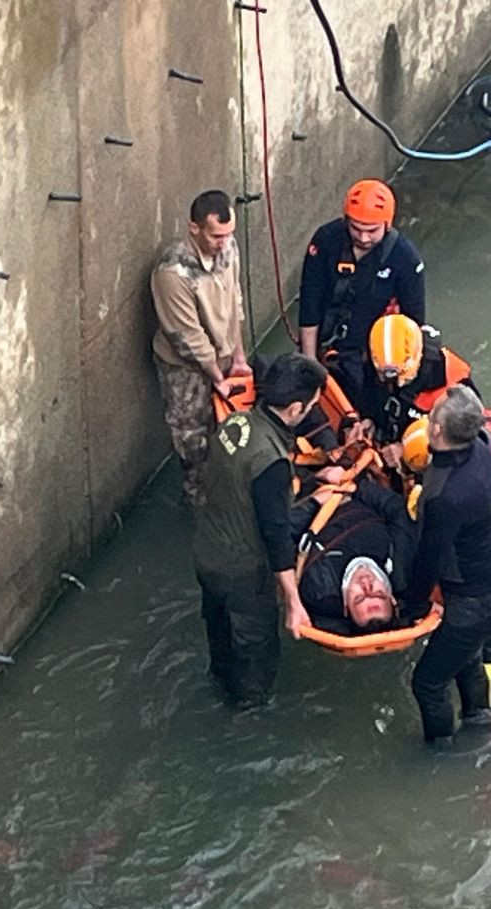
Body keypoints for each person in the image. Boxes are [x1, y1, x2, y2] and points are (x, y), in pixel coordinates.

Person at [192, 353, 328, 706]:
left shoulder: (235, 425)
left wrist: (310, 482)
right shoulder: (271, 463)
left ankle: (219, 687)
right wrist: (293, 602)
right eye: (312, 405)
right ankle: (248, 713)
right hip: (243, 574)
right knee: (256, 656)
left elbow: (239, 483)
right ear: (296, 409)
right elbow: (276, 534)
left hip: (208, 555)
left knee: (221, 643)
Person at [400, 385, 491, 742]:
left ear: (436, 431)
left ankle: (440, 749)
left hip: (478, 597)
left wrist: (413, 604)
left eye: (431, 413)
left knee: (427, 683)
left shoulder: (446, 496)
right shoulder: (480, 448)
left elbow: (429, 556)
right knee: (466, 655)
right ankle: (479, 720)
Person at [151, 189, 253, 506]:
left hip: (223, 353)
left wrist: (238, 357)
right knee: (191, 436)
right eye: (216, 235)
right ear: (194, 227)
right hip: (185, 368)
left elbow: (234, 300)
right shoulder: (173, 272)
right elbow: (187, 336)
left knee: (229, 427)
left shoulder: (228, 247)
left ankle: (228, 488)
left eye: (228, 234)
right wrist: (216, 377)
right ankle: (197, 499)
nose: (224, 242)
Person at [298, 179, 426, 409]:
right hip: (327, 344)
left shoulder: (405, 258)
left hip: (371, 358)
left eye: (372, 231)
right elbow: (310, 303)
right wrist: (309, 363)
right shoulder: (326, 241)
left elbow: (413, 323)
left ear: (387, 224)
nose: (363, 238)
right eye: (356, 229)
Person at [290, 475, 419, 633]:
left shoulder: (319, 588)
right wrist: (357, 486)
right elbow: (397, 510)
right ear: (391, 598)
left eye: (359, 598)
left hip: (306, 492)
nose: (366, 585)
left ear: (345, 607)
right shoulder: (402, 567)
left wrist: (314, 502)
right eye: (378, 593)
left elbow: (281, 537)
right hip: (358, 483)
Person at [362, 314, 476, 463]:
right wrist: (369, 417)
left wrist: (407, 450)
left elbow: (462, 441)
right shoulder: (378, 360)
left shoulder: (453, 382)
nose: (398, 383)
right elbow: (370, 391)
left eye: (402, 376)